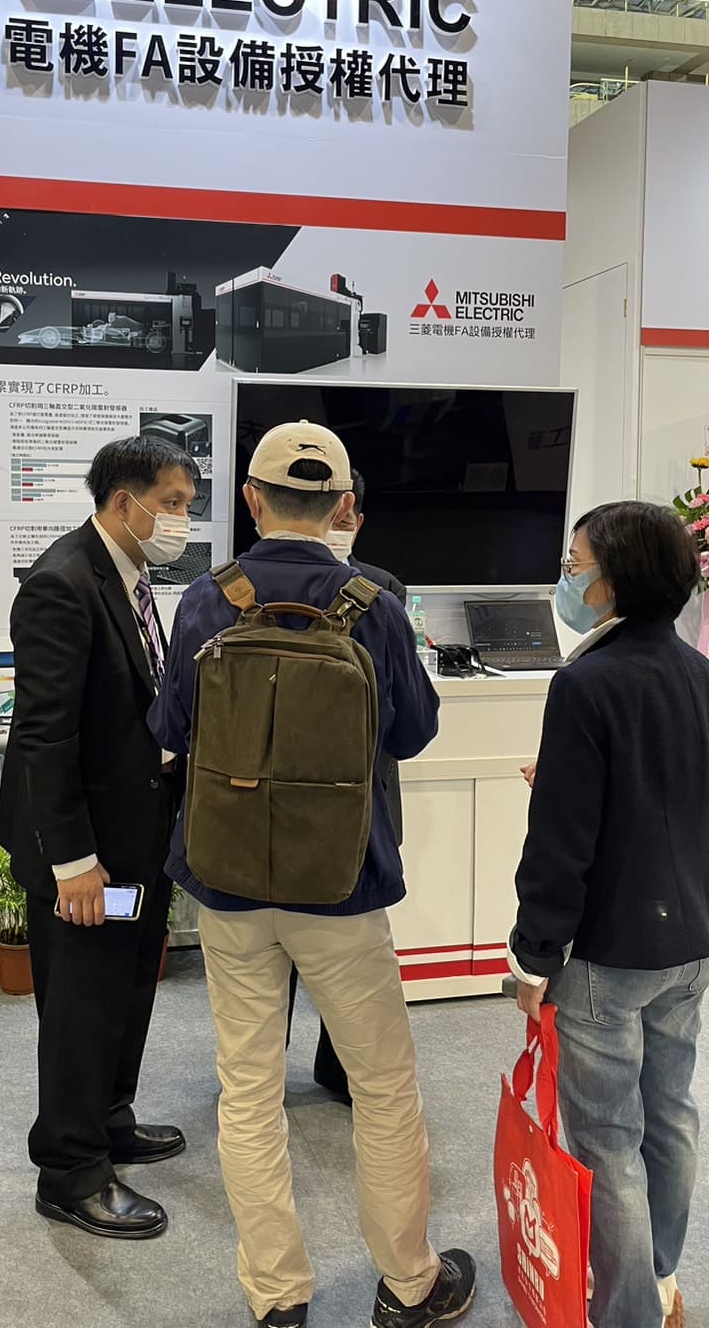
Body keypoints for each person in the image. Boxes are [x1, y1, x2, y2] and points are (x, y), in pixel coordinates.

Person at [150, 421, 476, 1328]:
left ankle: (276, 1297)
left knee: (249, 1088)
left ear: (251, 498)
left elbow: (169, 728)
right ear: (342, 505)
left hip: (225, 881)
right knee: (382, 1087)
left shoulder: (208, 598)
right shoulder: (376, 601)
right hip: (342, 883)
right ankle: (408, 1283)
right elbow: (412, 731)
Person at [508, 502, 709, 1328]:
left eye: (575, 564)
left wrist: (532, 955)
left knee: (607, 1137)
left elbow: (559, 844)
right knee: (669, 1114)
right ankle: (660, 1282)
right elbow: (699, 799)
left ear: (612, 579)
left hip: (606, 952)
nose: (567, 578)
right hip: (691, 934)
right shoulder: (700, 672)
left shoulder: (585, 682)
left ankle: (627, 1311)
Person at [0, 436, 199, 1242]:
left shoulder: (130, 576)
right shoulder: (62, 583)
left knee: (128, 983)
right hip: (86, 852)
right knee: (82, 1001)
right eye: (172, 503)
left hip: (137, 833)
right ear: (124, 501)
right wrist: (73, 863)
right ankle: (70, 1169)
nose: (181, 519)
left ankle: (109, 1118)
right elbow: (43, 736)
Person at [288, 467, 408, 1104]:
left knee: (330, 953)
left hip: (310, 800)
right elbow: (412, 723)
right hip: (329, 800)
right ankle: (308, 1071)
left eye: (348, 515)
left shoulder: (383, 588)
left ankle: (327, 1068)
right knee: (325, 947)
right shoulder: (378, 594)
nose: (339, 524)